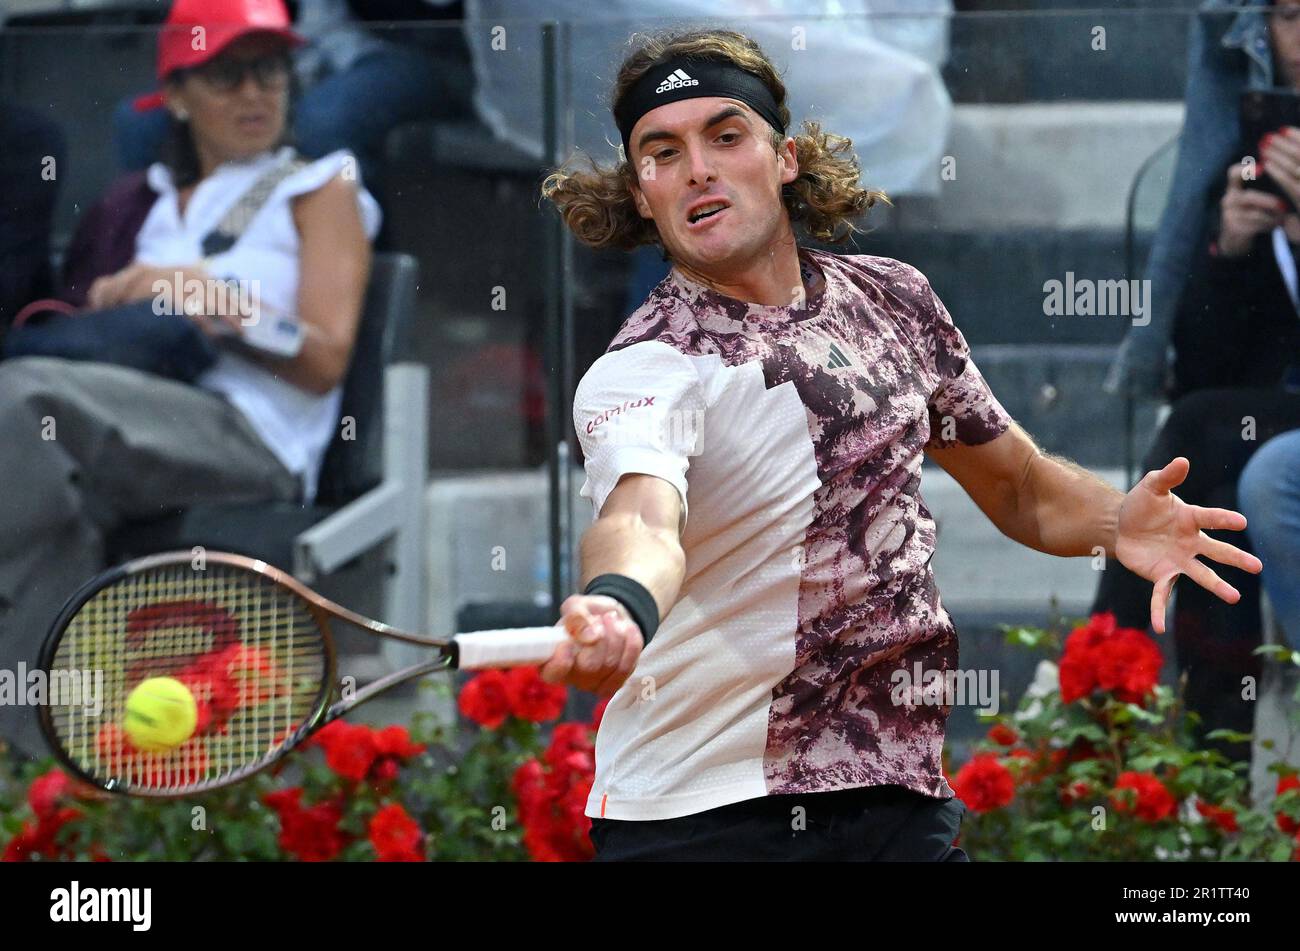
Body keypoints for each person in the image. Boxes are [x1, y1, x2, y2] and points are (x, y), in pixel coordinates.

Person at [536, 27, 1261, 863]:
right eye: (662, 152)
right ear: (642, 192)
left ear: (785, 158)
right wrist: (620, 598)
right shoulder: (648, 367)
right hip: (701, 815)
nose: (697, 166)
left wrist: (1113, 519)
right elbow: (641, 518)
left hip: (895, 795)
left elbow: (1019, 484)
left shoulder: (896, 300)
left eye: (726, 135)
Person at [0, 0, 379, 759]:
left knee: (21, 397)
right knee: (51, 520)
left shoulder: (318, 187)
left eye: (269, 70)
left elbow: (326, 357)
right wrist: (119, 298)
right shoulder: (146, 206)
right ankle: (47, 760)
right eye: (226, 74)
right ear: (175, 95)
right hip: (141, 427)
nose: (253, 93)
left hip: (251, 435)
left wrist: (222, 308)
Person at [1091, 0, 1300, 759]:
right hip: (1265, 412)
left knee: (1201, 436)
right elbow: (1203, 369)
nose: (1298, 40)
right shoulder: (1248, 153)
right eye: (1284, 17)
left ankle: (1112, 689)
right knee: (1204, 438)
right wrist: (1228, 250)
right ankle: (1197, 738)